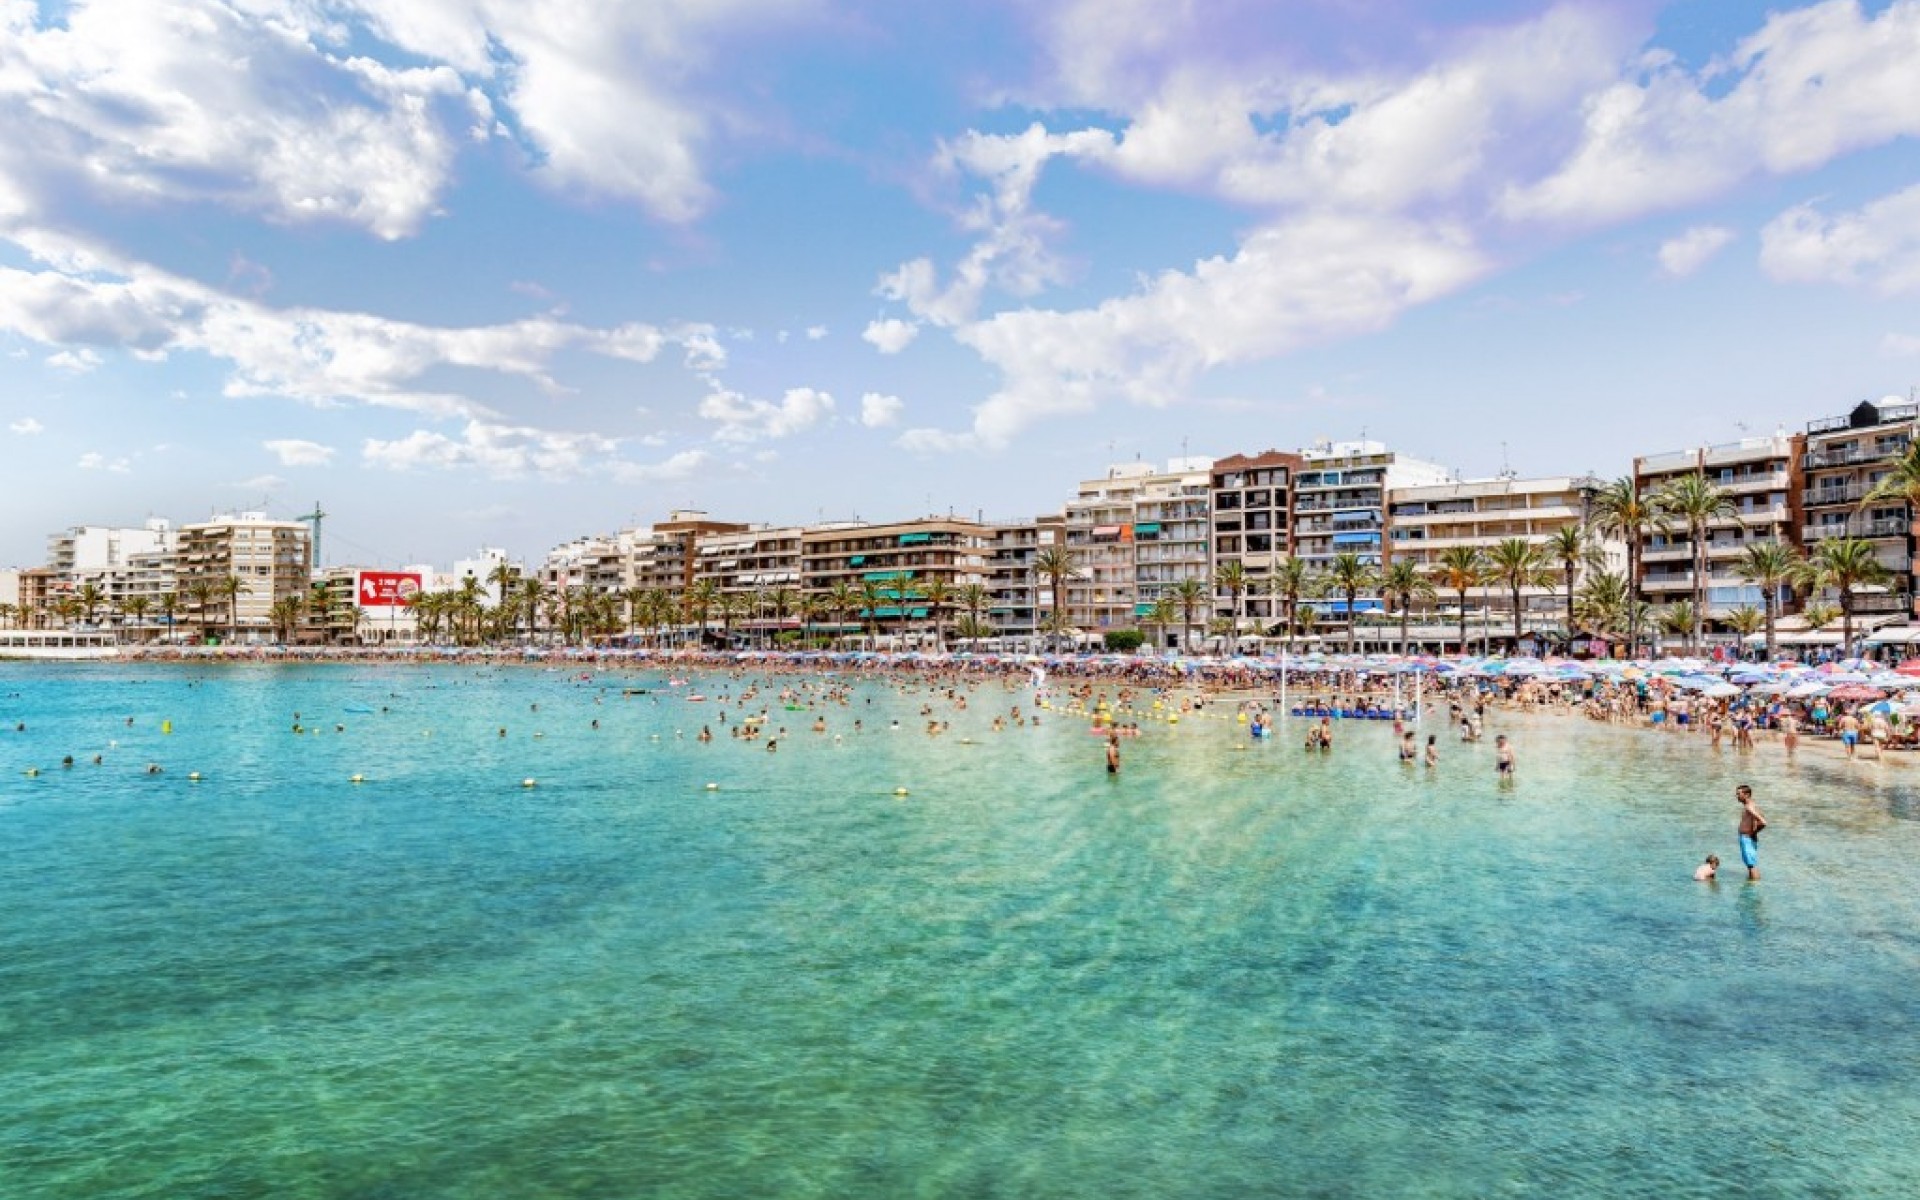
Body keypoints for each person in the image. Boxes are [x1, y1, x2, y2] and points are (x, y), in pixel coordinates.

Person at [1737, 784, 1767, 881]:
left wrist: (1752, 833)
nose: (1737, 796)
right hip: (1747, 839)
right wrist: (1754, 833)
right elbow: (1756, 821)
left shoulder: (1749, 807)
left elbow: (1763, 822)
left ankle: (1755, 884)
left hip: (1747, 839)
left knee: (1751, 865)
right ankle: (1752, 883)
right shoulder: (1751, 805)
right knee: (1750, 865)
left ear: (1746, 795)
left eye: (1739, 794)